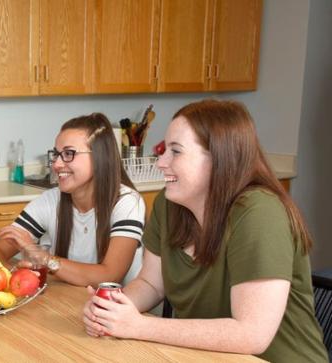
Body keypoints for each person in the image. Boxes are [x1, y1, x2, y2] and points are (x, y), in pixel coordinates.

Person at [82, 100, 328, 362]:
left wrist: (140, 326)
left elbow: (252, 334)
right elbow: (151, 284)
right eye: (164, 150)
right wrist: (111, 311)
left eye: (176, 152)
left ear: (221, 158)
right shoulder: (169, 204)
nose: (161, 162)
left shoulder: (259, 212)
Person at [0, 113, 145, 287]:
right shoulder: (50, 200)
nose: (56, 164)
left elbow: (110, 275)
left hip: (116, 308)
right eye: (56, 154)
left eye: (69, 153)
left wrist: (44, 259)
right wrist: (12, 276)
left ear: (100, 157)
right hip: (67, 302)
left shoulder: (127, 202)